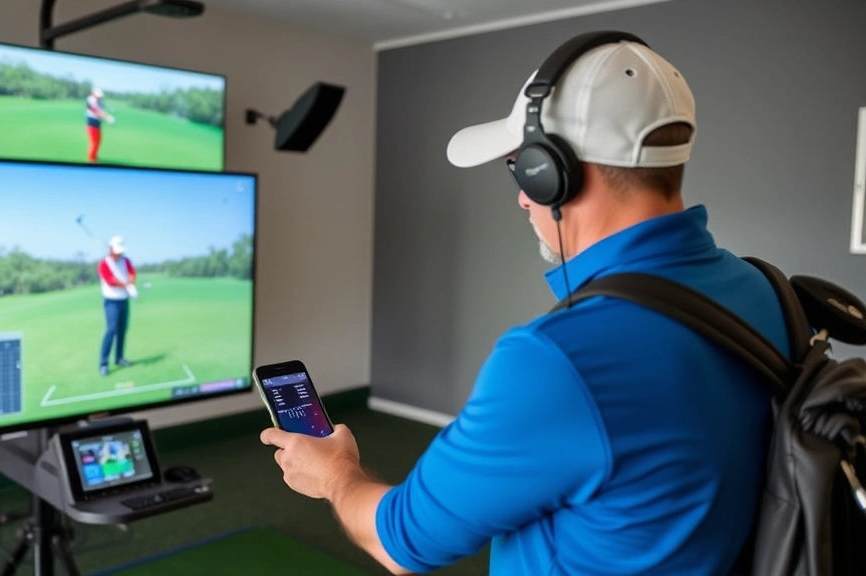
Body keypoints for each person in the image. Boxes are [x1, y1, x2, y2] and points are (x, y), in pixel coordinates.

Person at [259, 32, 792, 575]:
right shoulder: (765, 291)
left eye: (519, 165)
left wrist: (335, 474)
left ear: (552, 171)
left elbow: (400, 540)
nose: (519, 194)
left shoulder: (559, 359)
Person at [98, 235, 136, 376]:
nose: (119, 254)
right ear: (111, 250)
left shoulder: (126, 261)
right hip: (111, 301)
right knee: (111, 330)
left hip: (124, 300)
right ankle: (103, 364)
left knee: (122, 330)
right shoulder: (104, 264)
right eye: (117, 251)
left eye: (121, 251)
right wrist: (126, 285)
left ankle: (119, 358)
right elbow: (110, 281)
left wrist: (131, 283)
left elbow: (132, 273)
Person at [86, 86, 114, 163]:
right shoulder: (90, 100)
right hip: (91, 124)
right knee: (94, 143)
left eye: (100, 97)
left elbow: (102, 111)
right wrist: (107, 118)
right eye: (98, 96)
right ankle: (91, 160)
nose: (99, 98)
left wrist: (107, 116)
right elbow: (96, 111)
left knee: (98, 141)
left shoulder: (100, 101)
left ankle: (95, 156)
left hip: (97, 124)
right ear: (93, 94)